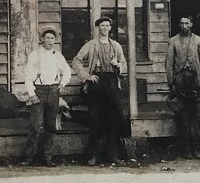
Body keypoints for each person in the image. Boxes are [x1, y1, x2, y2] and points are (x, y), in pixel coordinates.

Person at [72, 16, 128, 165]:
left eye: (107, 26)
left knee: (113, 119)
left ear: (110, 28)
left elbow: (124, 67)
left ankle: (112, 155)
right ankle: (93, 155)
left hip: (111, 84)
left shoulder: (116, 46)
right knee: (95, 119)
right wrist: (86, 76)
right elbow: (76, 60)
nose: (104, 28)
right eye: (102, 26)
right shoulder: (91, 45)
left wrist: (117, 65)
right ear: (98, 28)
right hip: (96, 84)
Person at [20, 25, 72, 167]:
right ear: (42, 39)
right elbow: (28, 77)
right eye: (47, 38)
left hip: (53, 91)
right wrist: (31, 94)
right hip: (39, 91)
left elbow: (67, 71)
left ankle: (46, 156)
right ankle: (29, 156)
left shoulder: (57, 55)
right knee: (35, 126)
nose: (50, 40)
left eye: (52, 38)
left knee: (50, 126)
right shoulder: (35, 55)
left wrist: (62, 84)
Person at [165, 14, 200, 159]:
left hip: (195, 83)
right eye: (181, 23)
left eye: (186, 23)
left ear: (191, 25)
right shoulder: (173, 41)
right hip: (180, 83)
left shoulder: (199, 40)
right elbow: (169, 64)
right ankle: (185, 149)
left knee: (195, 116)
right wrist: (171, 83)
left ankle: (196, 148)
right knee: (182, 117)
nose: (184, 26)